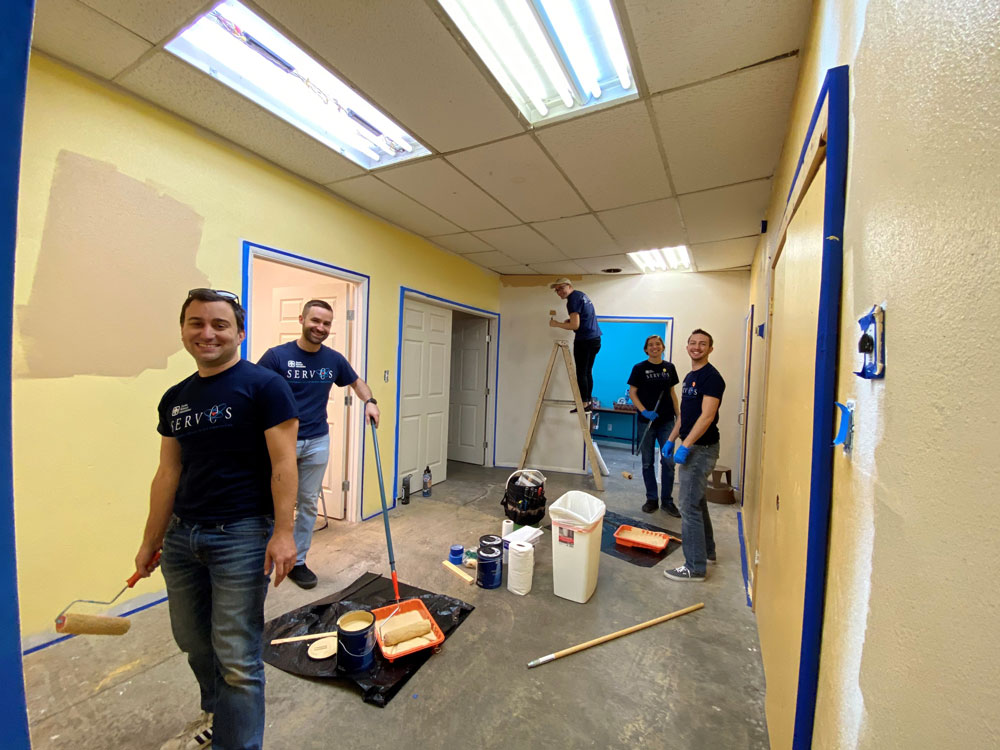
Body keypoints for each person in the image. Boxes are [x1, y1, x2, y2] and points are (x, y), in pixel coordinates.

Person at [134, 288, 299, 750]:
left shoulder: (265, 386)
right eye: (196, 323)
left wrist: (284, 533)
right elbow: (169, 471)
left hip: (242, 535)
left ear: (239, 333)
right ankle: (218, 712)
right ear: (184, 331)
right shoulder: (175, 398)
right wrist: (150, 540)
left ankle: (238, 741)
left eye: (219, 324)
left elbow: (286, 466)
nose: (207, 333)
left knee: (237, 655)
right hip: (183, 535)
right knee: (192, 640)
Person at [257, 299, 380, 589]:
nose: (320, 327)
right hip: (280, 442)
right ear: (302, 319)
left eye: (326, 323)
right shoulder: (277, 356)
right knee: (267, 501)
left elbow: (357, 382)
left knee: (309, 503)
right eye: (315, 321)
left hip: (317, 441)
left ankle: (297, 561)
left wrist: (370, 402)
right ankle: (259, 557)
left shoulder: (333, 359)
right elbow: (255, 389)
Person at [662, 329, 725, 582]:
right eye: (693, 343)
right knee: (696, 502)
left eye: (703, 344)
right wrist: (670, 440)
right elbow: (685, 416)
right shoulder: (690, 376)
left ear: (710, 348)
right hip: (692, 445)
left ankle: (695, 567)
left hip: (702, 449)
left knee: (688, 506)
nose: (697, 347)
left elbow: (707, 416)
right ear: (687, 346)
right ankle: (707, 552)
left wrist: (686, 445)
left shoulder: (712, 378)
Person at [627, 335, 681, 516]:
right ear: (646, 349)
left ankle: (667, 501)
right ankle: (651, 499)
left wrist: (679, 416)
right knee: (647, 462)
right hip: (646, 422)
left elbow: (672, 393)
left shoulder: (669, 368)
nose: (654, 347)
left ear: (663, 347)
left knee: (668, 461)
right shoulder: (639, 368)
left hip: (666, 421)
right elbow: (632, 393)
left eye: (657, 344)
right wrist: (643, 411)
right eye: (650, 345)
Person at [548, 278, 601, 411]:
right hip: (595, 339)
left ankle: (583, 403)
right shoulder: (581, 295)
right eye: (556, 290)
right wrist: (570, 321)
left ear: (569, 286)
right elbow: (582, 319)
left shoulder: (572, 300)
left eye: (561, 288)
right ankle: (588, 402)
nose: (559, 292)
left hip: (585, 340)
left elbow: (575, 325)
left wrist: (557, 324)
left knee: (581, 372)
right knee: (587, 371)